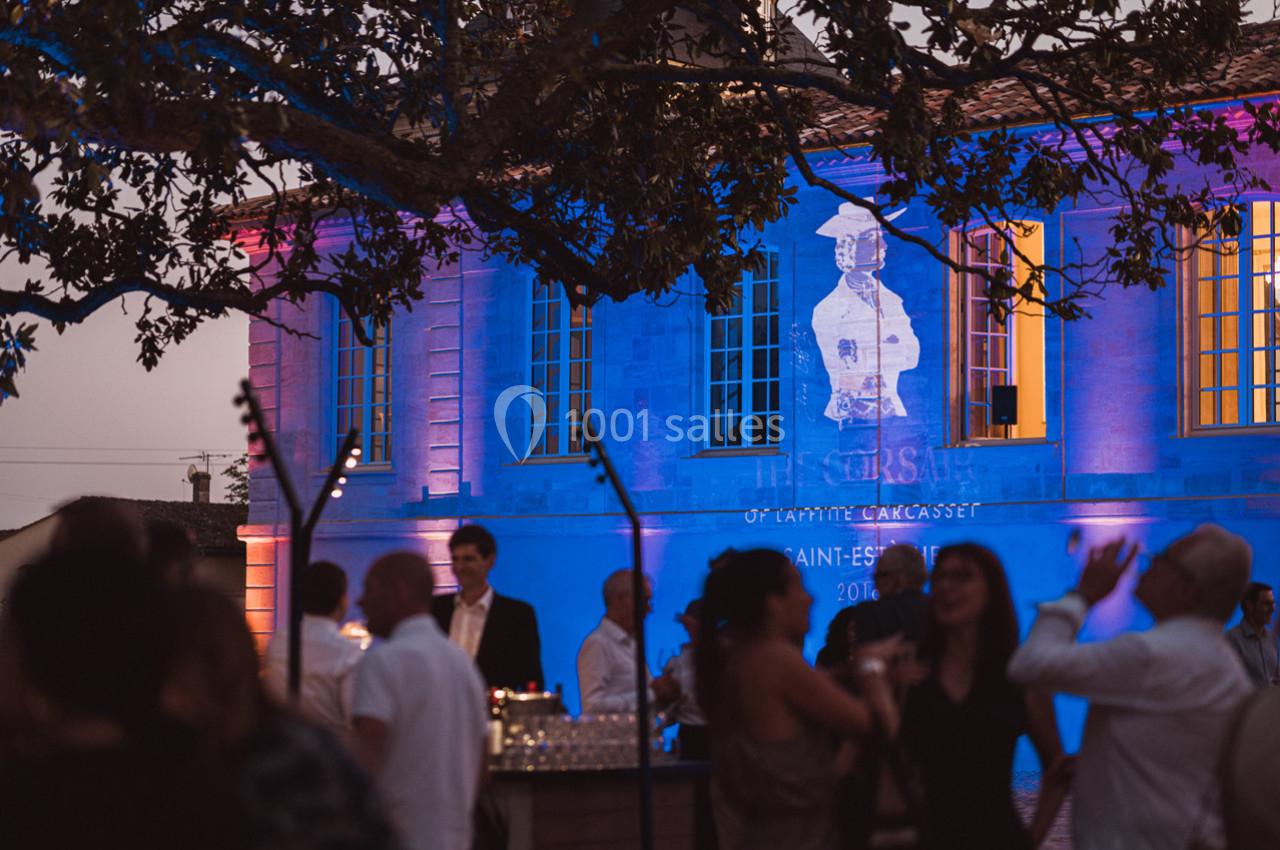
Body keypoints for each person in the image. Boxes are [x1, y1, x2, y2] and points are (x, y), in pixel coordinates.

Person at [1007, 526, 1253, 850]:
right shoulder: (1216, 657)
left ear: (1186, 588)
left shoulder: (1151, 654)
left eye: (1162, 559)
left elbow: (1031, 665)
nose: (1147, 565)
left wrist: (1082, 595)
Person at [696, 548, 900, 850]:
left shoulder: (739, 659)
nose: (810, 598)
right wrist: (873, 668)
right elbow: (874, 724)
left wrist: (848, 670)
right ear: (773, 604)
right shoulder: (776, 659)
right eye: (799, 587)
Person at [895, 543, 1068, 850]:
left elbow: (1057, 769)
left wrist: (1031, 840)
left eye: (962, 577)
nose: (946, 586)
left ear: (991, 591)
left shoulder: (1019, 677)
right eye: (940, 577)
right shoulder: (913, 674)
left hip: (998, 837)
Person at [353, 552, 488, 850]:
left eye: (370, 589)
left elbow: (367, 758)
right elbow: (482, 760)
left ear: (398, 591)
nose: (361, 602)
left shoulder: (383, 662)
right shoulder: (463, 664)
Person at [811, 199, 920, 423]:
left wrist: (869, 351)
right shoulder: (828, 309)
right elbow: (842, 371)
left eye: (881, 238)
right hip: (850, 415)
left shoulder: (891, 301)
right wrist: (889, 344)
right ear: (852, 246)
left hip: (892, 411)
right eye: (873, 239)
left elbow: (912, 355)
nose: (884, 246)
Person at [432, 525, 544, 690]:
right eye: (455, 559)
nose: (459, 567)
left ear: (490, 561)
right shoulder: (435, 609)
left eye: (468, 559)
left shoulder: (517, 616)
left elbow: (531, 678)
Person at [263, 561, 365, 736]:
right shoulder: (348, 652)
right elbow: (354, 717)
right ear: (342, 600)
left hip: (280, 739)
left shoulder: (278, 641)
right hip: (329, 745)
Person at [577, 568, 679, 714]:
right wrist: (653, 694)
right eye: (644, 600)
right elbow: (592, 708)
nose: (649, 609)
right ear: (619, 600)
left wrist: (665, 696)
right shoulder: (598, 644)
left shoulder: (630, 643)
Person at [818, 544, 927, 671]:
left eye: (879, 576)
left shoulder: (871, 612)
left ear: (898, 577)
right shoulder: (935, 609)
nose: (875, 585)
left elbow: (868, 666)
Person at [665, 598, 709, 760]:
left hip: (719, 736)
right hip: (690, 735)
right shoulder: (681, 659)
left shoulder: (727, 655)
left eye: (689, 625)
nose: (686, 629)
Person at [1225, 581, 1278, 686]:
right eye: (1267, 603)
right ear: (1249, 606)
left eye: (1273, 603)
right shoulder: (1231, 640)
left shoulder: (1272, 639)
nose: (1273, 609)